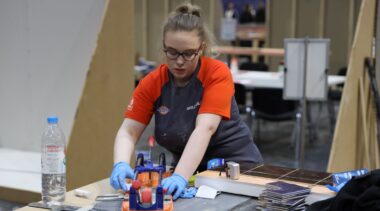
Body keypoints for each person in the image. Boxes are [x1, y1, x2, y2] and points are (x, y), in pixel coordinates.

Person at [109, 2, 263, 200]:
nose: (179, 61)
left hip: (238, 173)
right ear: (163, 48)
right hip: (191, 174)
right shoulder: (152, 83)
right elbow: (128, 131)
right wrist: (120, 163)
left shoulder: (216, 73)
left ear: (201, 49)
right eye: (172, 52)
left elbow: (205, 129)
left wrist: (181, 176)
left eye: (188, 53)